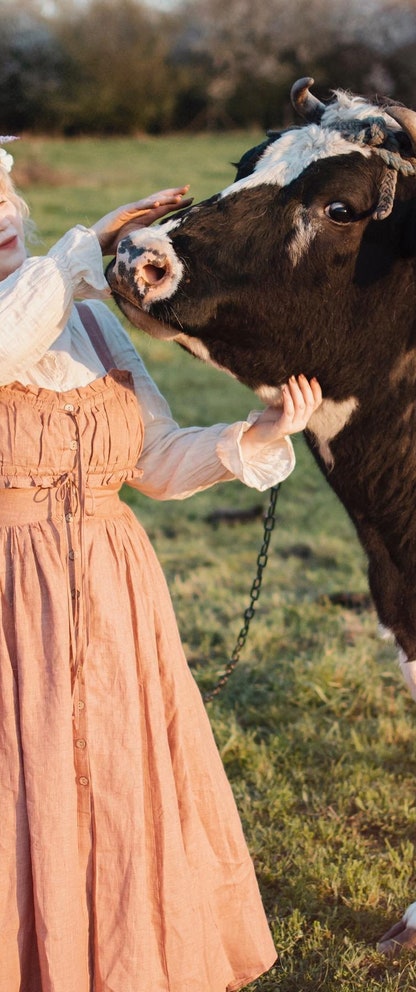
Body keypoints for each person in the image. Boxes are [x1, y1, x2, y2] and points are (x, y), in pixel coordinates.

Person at [0, 137, 322, 991]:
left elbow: (156, 462)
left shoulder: (92, 323)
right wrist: (88, 242)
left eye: (1, 194)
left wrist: (251, 438)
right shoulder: (40, 300)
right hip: (9, 594)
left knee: (110, 781)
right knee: (17, 783)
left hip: (111, 586)